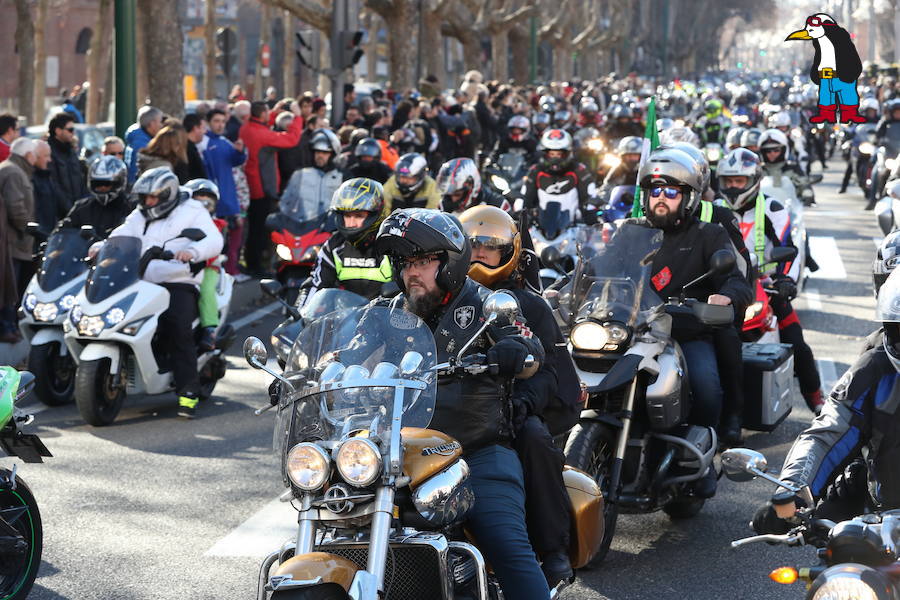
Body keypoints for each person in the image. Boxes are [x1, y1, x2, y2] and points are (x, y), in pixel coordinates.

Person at [373, 208, 550, 600]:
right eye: (404, 264)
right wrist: (306, 374)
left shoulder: (488, 305)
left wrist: (512, 351)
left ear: (449, 262)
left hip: (476, 452)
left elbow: (531, 350)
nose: (411, 273)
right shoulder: (389, 311)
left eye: (421, 261)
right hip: (397, 455)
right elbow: (345, 355)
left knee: (506, 544)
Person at [459, 204, 581, 587]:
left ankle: (553, 549)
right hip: (452, 404)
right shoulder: (443, 298)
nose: (480, 252)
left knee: (533, 436)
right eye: (472, 243)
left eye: (490, 244)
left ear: (509, 251)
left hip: (508, 408)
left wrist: (523, 401)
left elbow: (551, 374)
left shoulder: (529, 303)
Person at [637, 147, 753, 496]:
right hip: (636, 334)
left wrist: (727, 296)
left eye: (671, 192)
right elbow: (597, 269)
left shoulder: (709, 234)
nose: (661, 199)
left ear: (687, 198)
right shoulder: (632, 232)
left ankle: (698, 458)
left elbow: (736, 279)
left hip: (687, 333)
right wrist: (562, 289)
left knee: (705, 386)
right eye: (654, 191)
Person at [751, 269, 900, 534]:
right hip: (889, 521)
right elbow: (826, 434)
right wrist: (792, 491)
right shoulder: (875, 369)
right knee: (837, 558)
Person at [98, 167, 223, 418]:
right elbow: (124, 232)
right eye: (144, 198)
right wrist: (102, 246)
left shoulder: (192, 211)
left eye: (153, 198)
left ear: (167, 195)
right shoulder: (140, 213)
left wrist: (193, 252)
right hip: (138, 279)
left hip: (177, 279)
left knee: (178, 328)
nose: (148, 202)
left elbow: (214, 239)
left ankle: (188, 392)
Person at [717, 148, 824, 414]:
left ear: (753, 180)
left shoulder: (773, 208)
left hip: (765, 287)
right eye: (728, 181)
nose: (732, 187)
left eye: (738, 181)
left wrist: (786, 279)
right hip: (719, 289)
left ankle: (819, 403)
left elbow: (789, 247)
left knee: (797, 343)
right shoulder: (713, 210)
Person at [299, 178, 391, 307]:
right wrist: (300, 314)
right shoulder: (334, 246)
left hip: (385, 321)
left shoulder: (392, 245)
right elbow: (315, 284)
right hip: (345, 321)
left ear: (375, 214)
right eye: (347, 216)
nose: (351, 223)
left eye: (358, 216)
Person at [239, 100, 303, 277]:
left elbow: (262, 125)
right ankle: (256, 266)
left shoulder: (246, 128)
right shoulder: (261, 135)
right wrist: (297, 116)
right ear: (262, 114)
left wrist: (273, 113)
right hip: (262, 187)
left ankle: (252, 262)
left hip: (251, 184)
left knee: (253, 228)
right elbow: (291, 139)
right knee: (259, 230)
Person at [202, 108, 247, 278]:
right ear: (208, 123)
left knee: (230, 239)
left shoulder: (224, 141)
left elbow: (236, 161)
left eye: (222, 121)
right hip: (214, 202)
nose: (220, 125)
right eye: (216, 121)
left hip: (228, 199)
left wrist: (239, 151)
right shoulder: (204, 142)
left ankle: (229, 271)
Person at [0, 137, 37, 342]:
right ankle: (8, 327)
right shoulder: (13, 172)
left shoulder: (13, 169)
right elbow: (16, 207)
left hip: (13, 241)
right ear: (28, 155)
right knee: (9, 288)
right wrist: (29, 229)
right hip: (13, 242)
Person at [183, 179, 227, 351]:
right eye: (199, 196)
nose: (203, 200)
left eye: (208, 197)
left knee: (206, 290)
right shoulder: (181, 221)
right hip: (181, 266)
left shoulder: (219, 224)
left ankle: (210, 329)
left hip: (208, 267)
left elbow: (219, 247)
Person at [521, 128, 598, 224]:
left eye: (559, 154)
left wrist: (590, 213)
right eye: (552, 154)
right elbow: (525, 197)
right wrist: (523, 213)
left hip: (573, 226)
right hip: (540, 228)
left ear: (567, 153)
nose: (555, 158)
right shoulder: (536, 170)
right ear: (545, 154)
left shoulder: (578, 170)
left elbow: (590, 196)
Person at [57, 156, 132, 238]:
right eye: (97, 184)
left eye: (107, 184)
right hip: (85, 250)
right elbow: (64, 231)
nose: (102, 187)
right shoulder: (81, 207)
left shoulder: (130, 208)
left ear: (119, 182)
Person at [280, 128, 343, 225]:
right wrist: (281, 218)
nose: (320, 156)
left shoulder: (341, 176)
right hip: (303, 226)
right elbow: (286, 202)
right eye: (317, 152)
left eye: (325, 153)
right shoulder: (300, 174)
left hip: (330, 228)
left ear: (332, 155)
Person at [435, 157, 508, 215]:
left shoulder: (498, 205)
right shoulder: (444, 207)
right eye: (448, 195)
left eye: (457, 194)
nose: (453, 199)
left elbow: (511, 229)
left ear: (471, 186)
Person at [47, 112, 88, 211]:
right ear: (58, 131)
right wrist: (70, 209)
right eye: (70, 130)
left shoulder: (71, 151)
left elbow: (80, 181)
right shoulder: (48, 152)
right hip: (59, 212)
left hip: (78, 210)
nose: (73, 133)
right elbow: (54, 185)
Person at [31, 140, 65, 237]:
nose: (49, 160)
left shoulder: (47, 176)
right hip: (36, 236)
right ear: (35, 156)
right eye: (46, 156)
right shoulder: (29, 179)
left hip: (49, 235)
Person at [598, 135, 642, 203]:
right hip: (620, 207)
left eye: (635, 155)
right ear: (623, 156)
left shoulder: (644, 169)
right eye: (629, 155)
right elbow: (606, 187)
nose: (632, 159)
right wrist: (602, 202)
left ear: (640, 157)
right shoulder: (618, 169)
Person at [125, 105, 164, 183]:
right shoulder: (143, 145)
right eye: (160, 122)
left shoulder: (137, 138)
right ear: (152, 124)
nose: (162, 125)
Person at [182, 113, 209, 181]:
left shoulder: (189, 147)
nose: (205, 132)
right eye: (203, 128)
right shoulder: (187, 149)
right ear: (195, 128)